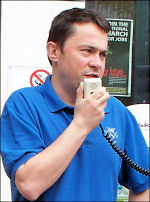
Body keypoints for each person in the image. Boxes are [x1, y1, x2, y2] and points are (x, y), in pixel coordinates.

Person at [1, 8, 149, 202]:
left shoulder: (116, 111)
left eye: (102, 55)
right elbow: (29, 185)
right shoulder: (24, 105)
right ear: (54, 51)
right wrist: (81, 124)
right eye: (87, 51)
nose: (97, 63)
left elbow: (143, 184)